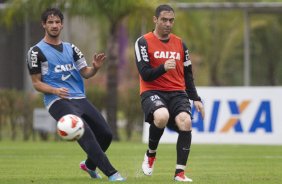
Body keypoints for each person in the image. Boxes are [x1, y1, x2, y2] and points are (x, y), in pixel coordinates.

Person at [26, 7, 125, 182]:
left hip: (79, 98)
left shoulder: (71, 48)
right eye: (50, 22)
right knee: (85, 131)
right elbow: (36, 83)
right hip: (57, 101)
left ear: (62, 25)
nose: (54, 25)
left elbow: (85, 73)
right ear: (44, 24)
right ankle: (113, 174)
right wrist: (55, 90)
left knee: (106, 134)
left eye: (57, 22)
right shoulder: (35, 52)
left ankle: (89, 165)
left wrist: (94, 68)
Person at [134, 4, 205, 182]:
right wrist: (163, 67)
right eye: (164, 20)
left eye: (171, 20)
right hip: (152, 91)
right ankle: (150, 155)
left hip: (177, 92)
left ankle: (179, 174)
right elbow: (145, 74)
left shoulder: (181, 44)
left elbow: (188, 75)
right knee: (162, 116)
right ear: (155, 19)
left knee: (186, 122)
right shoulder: (143, 42)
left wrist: (195, 98)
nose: (168, 23)